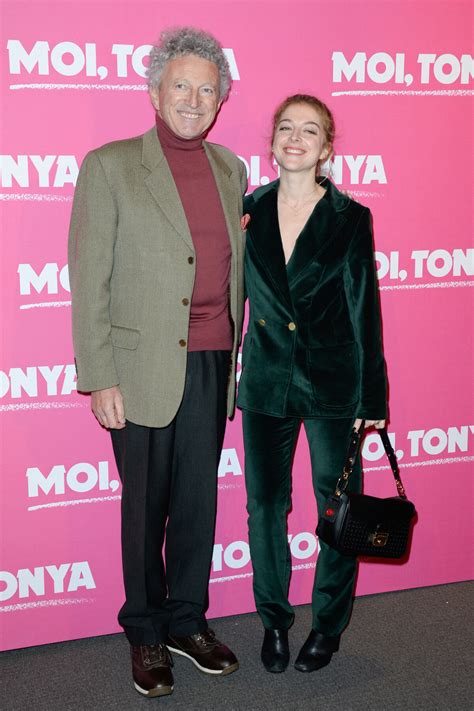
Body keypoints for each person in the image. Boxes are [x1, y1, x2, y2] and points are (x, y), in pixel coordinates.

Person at [68, 27, 247, 698]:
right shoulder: (111, 165)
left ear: (222, 100)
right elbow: (90, 278)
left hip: (211, 360)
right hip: (138, 370)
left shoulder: (232, 169)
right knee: (145, 506)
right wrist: (99, 375)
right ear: (154, 91)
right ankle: (145, 629)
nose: (195, 99)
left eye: (208, 89)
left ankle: (187, 620)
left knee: (197, 502)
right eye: (182, 85)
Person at [237, 94, 387, 673]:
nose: (294, 138)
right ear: (272, 142)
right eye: (284, 128)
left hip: (333, 384)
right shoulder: (248, 209)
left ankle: (328, 625)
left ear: (326, 148)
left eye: (309, 131)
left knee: (339, 507)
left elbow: (364, 307)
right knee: (264, 506)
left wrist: (370, 398)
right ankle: (273, 620)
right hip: (268, 380)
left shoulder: (351, 217)